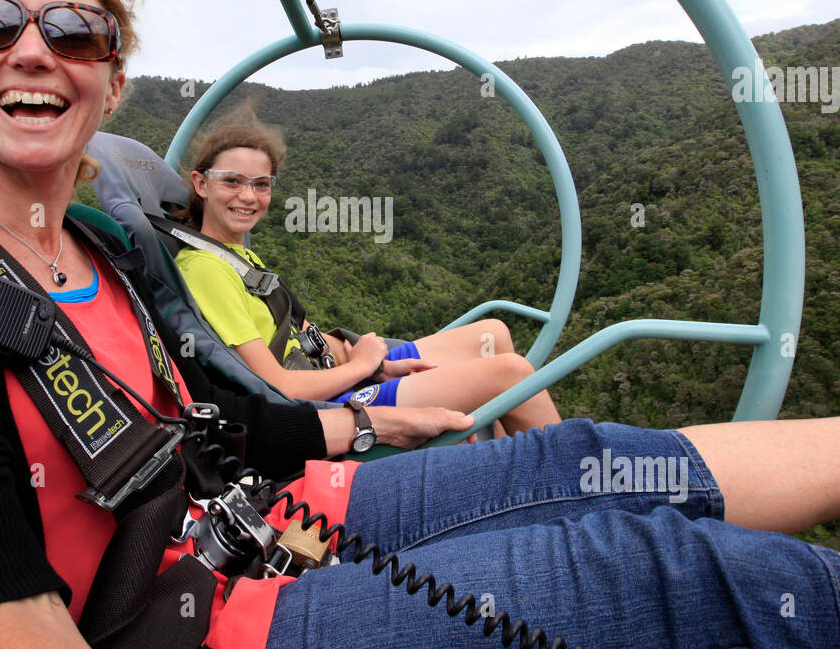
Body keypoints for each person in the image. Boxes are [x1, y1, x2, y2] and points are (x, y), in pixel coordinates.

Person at [0, 0, 840, 649]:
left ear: (110, 77)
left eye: (76, 32)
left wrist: (359, 418)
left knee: (579, 466)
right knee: (649, 584)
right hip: (184, 615)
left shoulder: (99, 245)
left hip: (261, 506)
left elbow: (221, 418)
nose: (31, 49)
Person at [173, 122, 562, 435]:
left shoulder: (236, 255)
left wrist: (378, 366)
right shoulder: (206, 268)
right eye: (232, 181)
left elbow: (301, 334)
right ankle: (572, 478)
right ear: (201, 183)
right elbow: (280, 386)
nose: (248, 196)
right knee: (511, 373)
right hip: (328, 406)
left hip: (341, 375)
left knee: (491, 335)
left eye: (261, 184)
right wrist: (360, 367)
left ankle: (511, 460)